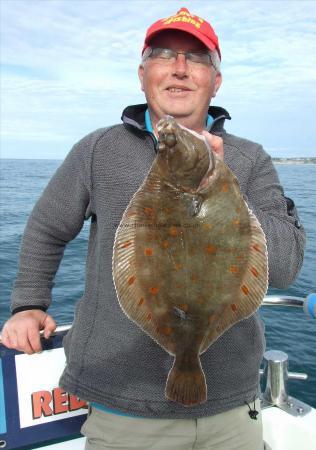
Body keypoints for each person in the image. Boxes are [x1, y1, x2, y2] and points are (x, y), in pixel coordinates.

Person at [1, 7, 305, 450]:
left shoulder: (251, 159)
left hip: (232, 408)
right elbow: (47, 227)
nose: (180, 69)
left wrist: (224, 187)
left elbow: (285, 267)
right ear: (142, 74)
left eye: (197, 58)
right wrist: (28, 304)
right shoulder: (98, 149)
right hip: (124, 408)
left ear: (215, 81)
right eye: (164, 54)